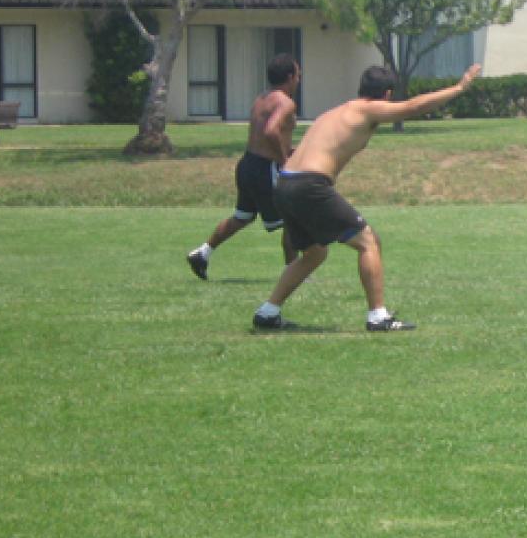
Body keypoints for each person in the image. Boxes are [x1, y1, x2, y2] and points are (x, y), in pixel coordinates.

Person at [251, 63, 480, 332]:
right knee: (368, 242)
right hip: (308, 185)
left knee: (314, 254)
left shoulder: (337, 111)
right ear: (387, 94)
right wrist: (459, 87)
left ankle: (268, 312)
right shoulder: (368, 108)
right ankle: (378, 317)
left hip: (285, 183)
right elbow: (414, 107)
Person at [187, 54, 301, 278]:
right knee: (292, 217)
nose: (299, 80)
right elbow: (270, 131)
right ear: (290, 77)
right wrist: (284, 161)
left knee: (243, 217)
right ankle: (294, 273)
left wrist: (288, 150)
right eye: (298, 75)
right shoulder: (285, 102)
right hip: (265, 169)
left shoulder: (262, 98)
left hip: (248, 164)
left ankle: (202, 253)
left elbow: (265, 133)